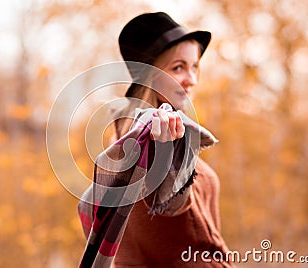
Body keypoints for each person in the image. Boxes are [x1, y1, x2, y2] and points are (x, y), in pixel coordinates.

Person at [78, 12, 233, 267]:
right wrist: (165, 153)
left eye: (194, 67)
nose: (192, 79)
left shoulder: (127, 140)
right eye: (178, 67)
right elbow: (172, 204)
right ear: (151, 75)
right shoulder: (148, 142)